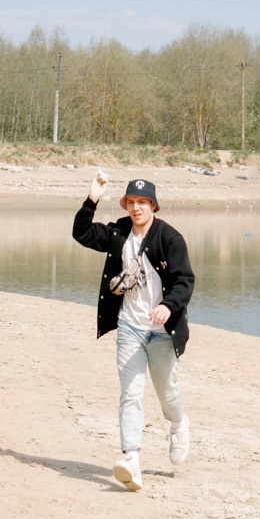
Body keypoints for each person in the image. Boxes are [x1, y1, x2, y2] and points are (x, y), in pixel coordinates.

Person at [72, 174, 194, 491]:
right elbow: (82, 234)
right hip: (129, 327)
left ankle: (179, 424)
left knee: (167, 390)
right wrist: (91, 200)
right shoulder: (118, 232)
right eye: (131, 203)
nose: (136, 208)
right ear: (126, 205)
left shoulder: (170, 238)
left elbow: (185, 281)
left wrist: (168, 306)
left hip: (163, 331)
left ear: (152, 205)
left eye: (142, 203)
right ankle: (132, 461)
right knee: (131, 393)